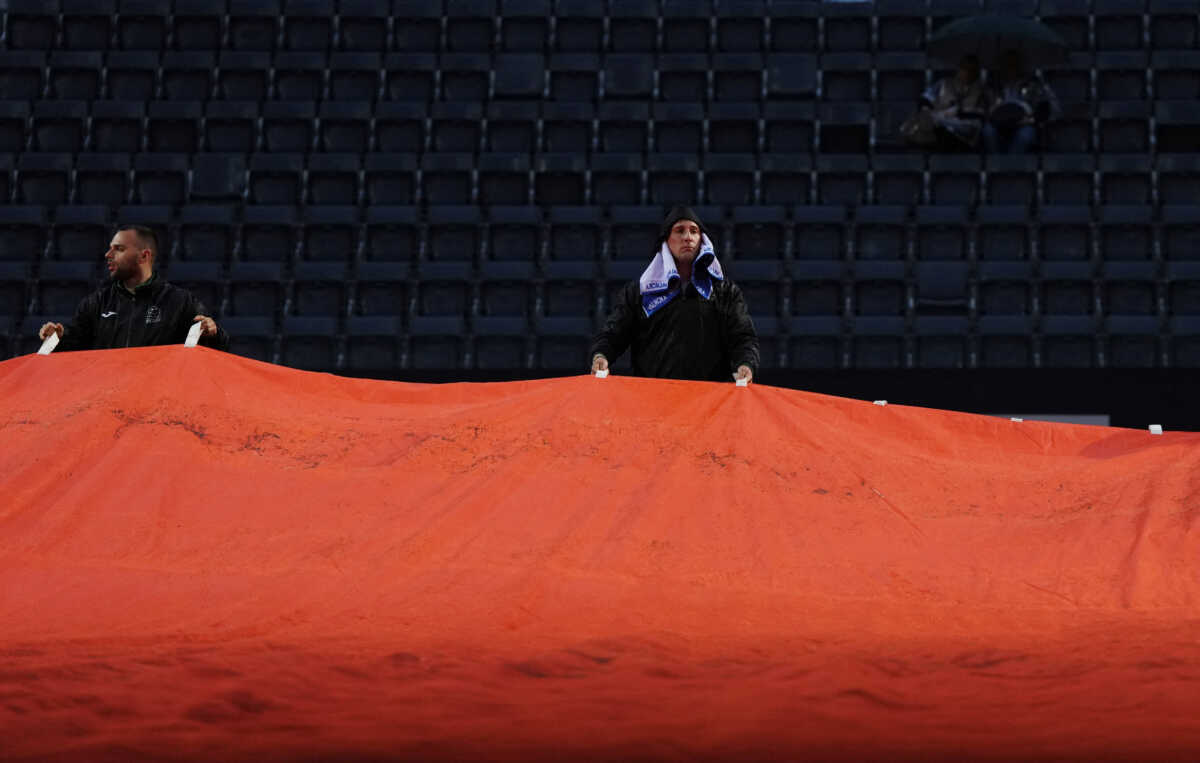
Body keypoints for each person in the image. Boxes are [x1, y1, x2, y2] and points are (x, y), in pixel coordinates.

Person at [589, 206, 758, 383]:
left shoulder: (725, 292)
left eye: (694, 231)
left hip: (709, 401)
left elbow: (743, 338)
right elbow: (612, 335)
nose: (688, 237)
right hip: (653, 399)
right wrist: (600, 356)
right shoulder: (640, 292)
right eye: (679, 231)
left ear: (702, 241)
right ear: (666, 241)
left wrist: (746, 364)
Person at [37, 224, 229, 352]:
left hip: (155, 405)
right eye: (110, 248)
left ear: (144, 256)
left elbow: (214, 349)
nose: (108, 255)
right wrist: (58, 338)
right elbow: (75, 349)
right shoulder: (96, 303)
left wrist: (212, 332)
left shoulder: (179, 301)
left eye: (118, 249)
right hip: (107, 403)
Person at [983, 49, 1060, 154]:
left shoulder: (1033, 83)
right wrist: (991, 112)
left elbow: (1048, 108)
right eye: (1008, 63)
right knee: (988, 132)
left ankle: (1010, 166)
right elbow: (983, 107)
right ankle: (994, 165)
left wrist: (1032, 119)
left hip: (1024, 124)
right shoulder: (992, 84)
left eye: (1013, 64)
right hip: (997, 124)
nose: (1010, 67)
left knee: (1026, 135)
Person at [907, 55, 991, 151]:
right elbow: (925, 100)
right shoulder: (944, 83)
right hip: (940, 123)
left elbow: (982, 115)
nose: (967, 73)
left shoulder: (983, 90)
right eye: (965, 68)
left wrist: (959, 112)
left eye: (972, 70)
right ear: (959, 69)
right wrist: (929, 112)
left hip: (965, 130)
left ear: (977, 72)